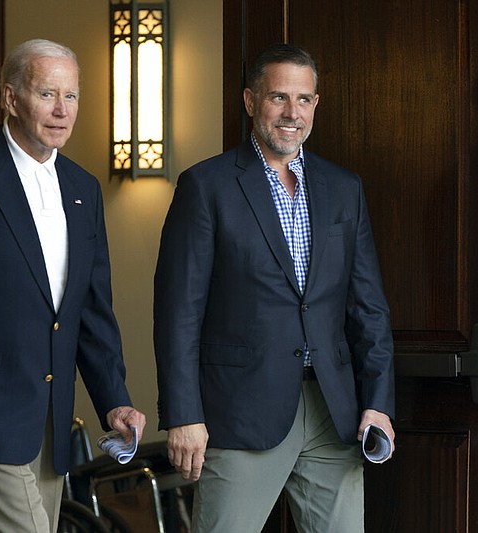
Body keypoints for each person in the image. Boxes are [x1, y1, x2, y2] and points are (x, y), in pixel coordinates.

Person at [153, 43, 394, 532]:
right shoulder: (206, 186)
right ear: (249, 101)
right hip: (240, 409)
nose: (292, 113)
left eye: (304, 100)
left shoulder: (343, 188)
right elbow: (178, 311)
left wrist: (379, 402)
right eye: (278, 97)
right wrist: (183, 414)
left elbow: (368, 306)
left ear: (316, 104)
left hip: (333, 412)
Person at [0, 38, 146, 533]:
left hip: (53, 421)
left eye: (72, 96)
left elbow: (92, 311)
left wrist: (114, 400)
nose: (62, 111)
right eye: (47, 94)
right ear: (11, 98)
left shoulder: (83, 188)